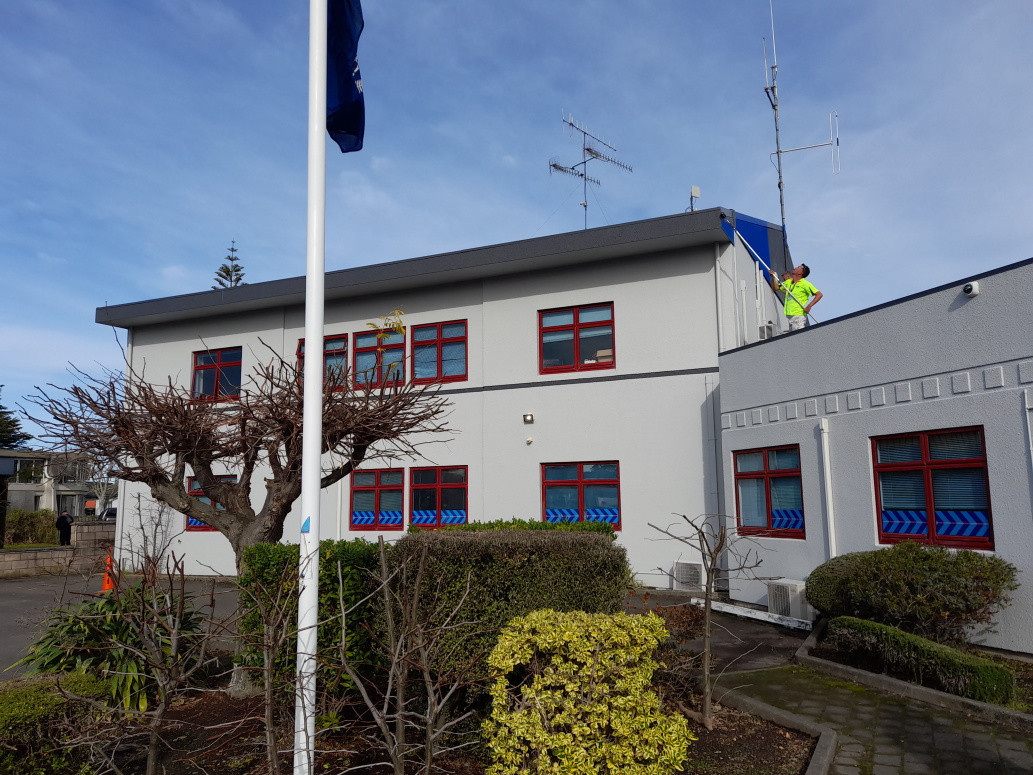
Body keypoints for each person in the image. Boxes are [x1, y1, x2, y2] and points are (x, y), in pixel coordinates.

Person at [770, 263, 822, 331]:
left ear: (800, 273)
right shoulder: (788, 282)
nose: (795, 267)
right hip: (790, 317)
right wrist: (774, 277)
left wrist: (809, 306)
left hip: (798, 316)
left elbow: (819, 294)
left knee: (798, 337)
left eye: (798, 267)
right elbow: (775, 288)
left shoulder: (805, 284)